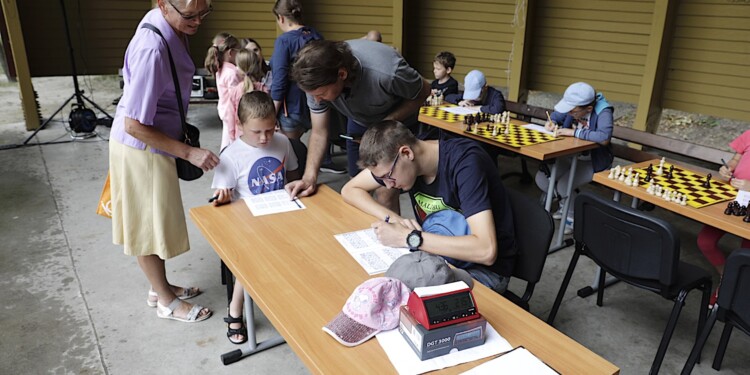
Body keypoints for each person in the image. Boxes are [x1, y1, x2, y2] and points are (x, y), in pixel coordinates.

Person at [109, 0, 217, 323]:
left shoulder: (168, 21)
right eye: (189, 16)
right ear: (162, 5)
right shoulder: (152, 49)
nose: (197, 22)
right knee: (145, 226)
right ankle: (166, 302)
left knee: (156, 221)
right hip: (140, 148)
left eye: (204, 12)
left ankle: (161, 286)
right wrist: (189, 152)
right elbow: (134, 124)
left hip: (157, 142)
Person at [340, 120, 516, 293]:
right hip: (437, 257)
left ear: (407, 153)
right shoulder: (400, 162)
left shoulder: (466, 163)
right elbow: (350, 189)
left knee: (396, 299)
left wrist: (409, 238)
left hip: (482, 272)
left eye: (388, 176)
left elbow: (486, 250)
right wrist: (395, 219)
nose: (387, 186)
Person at [286, 39, 432, 214]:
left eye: (321, 94)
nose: (317, 100)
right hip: (360, 120)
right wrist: (309, 177)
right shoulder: (315, 84)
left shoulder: (386, 71)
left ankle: (395, 234)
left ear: (341, 74)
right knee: (356, 188)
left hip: (400, 123)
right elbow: (319, 131)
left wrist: (385, 124)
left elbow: (423, 91)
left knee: (385, 191)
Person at [211, 91, 300, 343]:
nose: (264, 138)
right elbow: (221, 202)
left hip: (282, 214)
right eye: (257, 132)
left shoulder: (282, 142)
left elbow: (292, 177)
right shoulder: (230, 156)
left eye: (270, 130)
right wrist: (224, 198)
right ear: (239, 125)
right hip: (248, 222)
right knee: (252, 259)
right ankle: (235, 311)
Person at [270, 0, 344, 174]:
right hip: (319, 103)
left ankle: (295, 179)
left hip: (293, 107)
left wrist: (272, 113)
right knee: (319, 134)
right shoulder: (315, 35)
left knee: (290, 149)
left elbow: (279, 80)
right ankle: (323, 162)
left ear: (280, 18)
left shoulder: (284, 41)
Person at [536, 81, 614, 234]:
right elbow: (556, 115)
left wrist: (574, 132)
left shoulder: (603, 111)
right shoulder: (574, 107)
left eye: (573, 112)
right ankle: (566, 204)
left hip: (594, 160)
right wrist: (550, 123)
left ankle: (571, 217)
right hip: (570, 155)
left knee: (564, 185)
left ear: (589, 108)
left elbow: (604, 137)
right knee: (542, 179)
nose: (569, 113)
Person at [697, 129, 750, 306]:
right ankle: (726, 277)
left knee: (745, 255)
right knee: (705, 241)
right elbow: (735, 159)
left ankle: (737, 291)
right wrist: (728, 168)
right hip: (734, 198)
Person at [220, 49, 271, 147]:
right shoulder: (264, 89)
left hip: (241, 136)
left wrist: (231, 135)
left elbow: (230, 116)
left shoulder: (235, 91)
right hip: (261, 137)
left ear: (239, 68)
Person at [205, 32, 242, 150]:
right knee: (232, 143)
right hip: (232, 113)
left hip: (224, 110)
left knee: (226, 141)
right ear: (231, 53)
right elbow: (235, 98)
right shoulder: (232, 73)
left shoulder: (220, 69)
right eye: (239, 51)